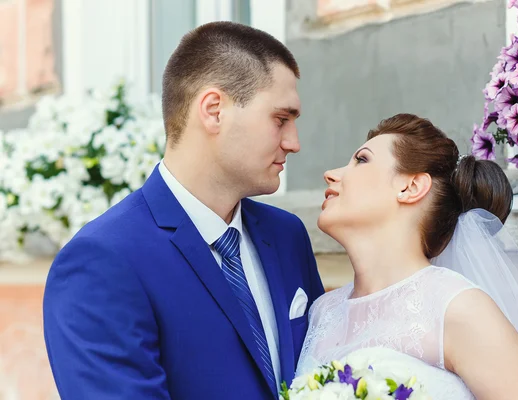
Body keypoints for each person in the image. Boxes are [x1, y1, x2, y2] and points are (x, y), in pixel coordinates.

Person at [43, 21, 324, 399]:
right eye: (281, 119)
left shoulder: (286, 235)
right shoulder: (102, 260)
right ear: (213, 110)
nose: (294, 143)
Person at [297, 113, 518, 399]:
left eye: (361, 160)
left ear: (411, 186)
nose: (331, 174)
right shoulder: (323, 312)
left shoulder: (456, 307)